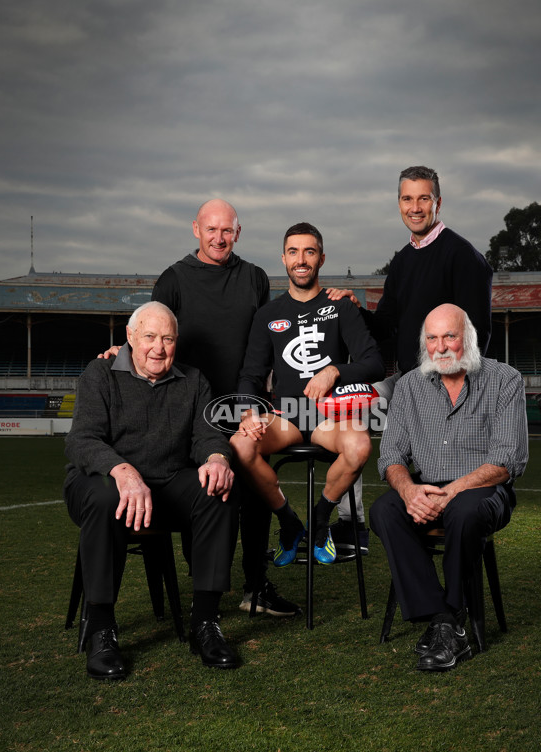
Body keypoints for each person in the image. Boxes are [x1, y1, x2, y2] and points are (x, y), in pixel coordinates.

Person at [102, 199, 299, 618]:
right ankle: (203, 586)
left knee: (254, 491)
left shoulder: (254, 278)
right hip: (191, 409)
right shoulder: (173, 280)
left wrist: (262, 401)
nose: (219, 237)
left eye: (227, 230)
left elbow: (262, 345)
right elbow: (152, 333)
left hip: (244, 405)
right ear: (196, 229)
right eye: (211, 229)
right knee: (206, 490)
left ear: (238, 232)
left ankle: (255, 585)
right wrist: (125, 350)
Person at [65, 302, 240, 679]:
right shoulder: (100, 373)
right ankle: (102, 628)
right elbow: (82, 440)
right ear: (129, 337)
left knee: (219, 489)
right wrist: (123, 472)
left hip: (166, 481)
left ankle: (205, 623)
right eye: (149, 337)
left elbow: (208, 435)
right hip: (103, 482)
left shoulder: (193, 380)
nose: (158, 347)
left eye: (167, 338)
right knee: (105, 495)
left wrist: (216, 459)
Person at [326, 165, 493, 552]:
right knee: (345, 410)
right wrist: (357, 309)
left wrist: (450, 388)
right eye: (407, 198)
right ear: (398, 203)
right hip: (405, 382)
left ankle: (439, 507)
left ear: (438, 202)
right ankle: (352, 524)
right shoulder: (403, 260)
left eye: (423, 198)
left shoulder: (463, 256)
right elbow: (386, 326)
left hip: (446, 387)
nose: (415, 207)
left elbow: (478, 336)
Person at [369, 303, 528, 672]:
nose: (440, 347)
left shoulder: (505, 379)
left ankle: (448, 616)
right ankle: (446, 618)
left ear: (467, 339)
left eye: (450, 337)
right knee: (384, 511)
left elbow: (507, 461)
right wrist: (409, 491)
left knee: (464, 510)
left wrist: (452, 490)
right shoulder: (409, 386)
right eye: (432, 338)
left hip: (484, 489)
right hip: (425, 489)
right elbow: (390, 454)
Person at [230, 222, 385, 566]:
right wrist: (246, 414)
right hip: (284, 416)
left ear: (321, 258)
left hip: (327, 417)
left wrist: (334, 371)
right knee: (241, 445)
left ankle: (319, 521)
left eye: (309, 252)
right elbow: (251, 374)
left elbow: (374, 363)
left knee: (360, 446)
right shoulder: (268, 315)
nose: (301, 259)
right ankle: (289, 522)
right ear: (283, 259)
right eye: (294, 252)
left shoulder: (340, 307)